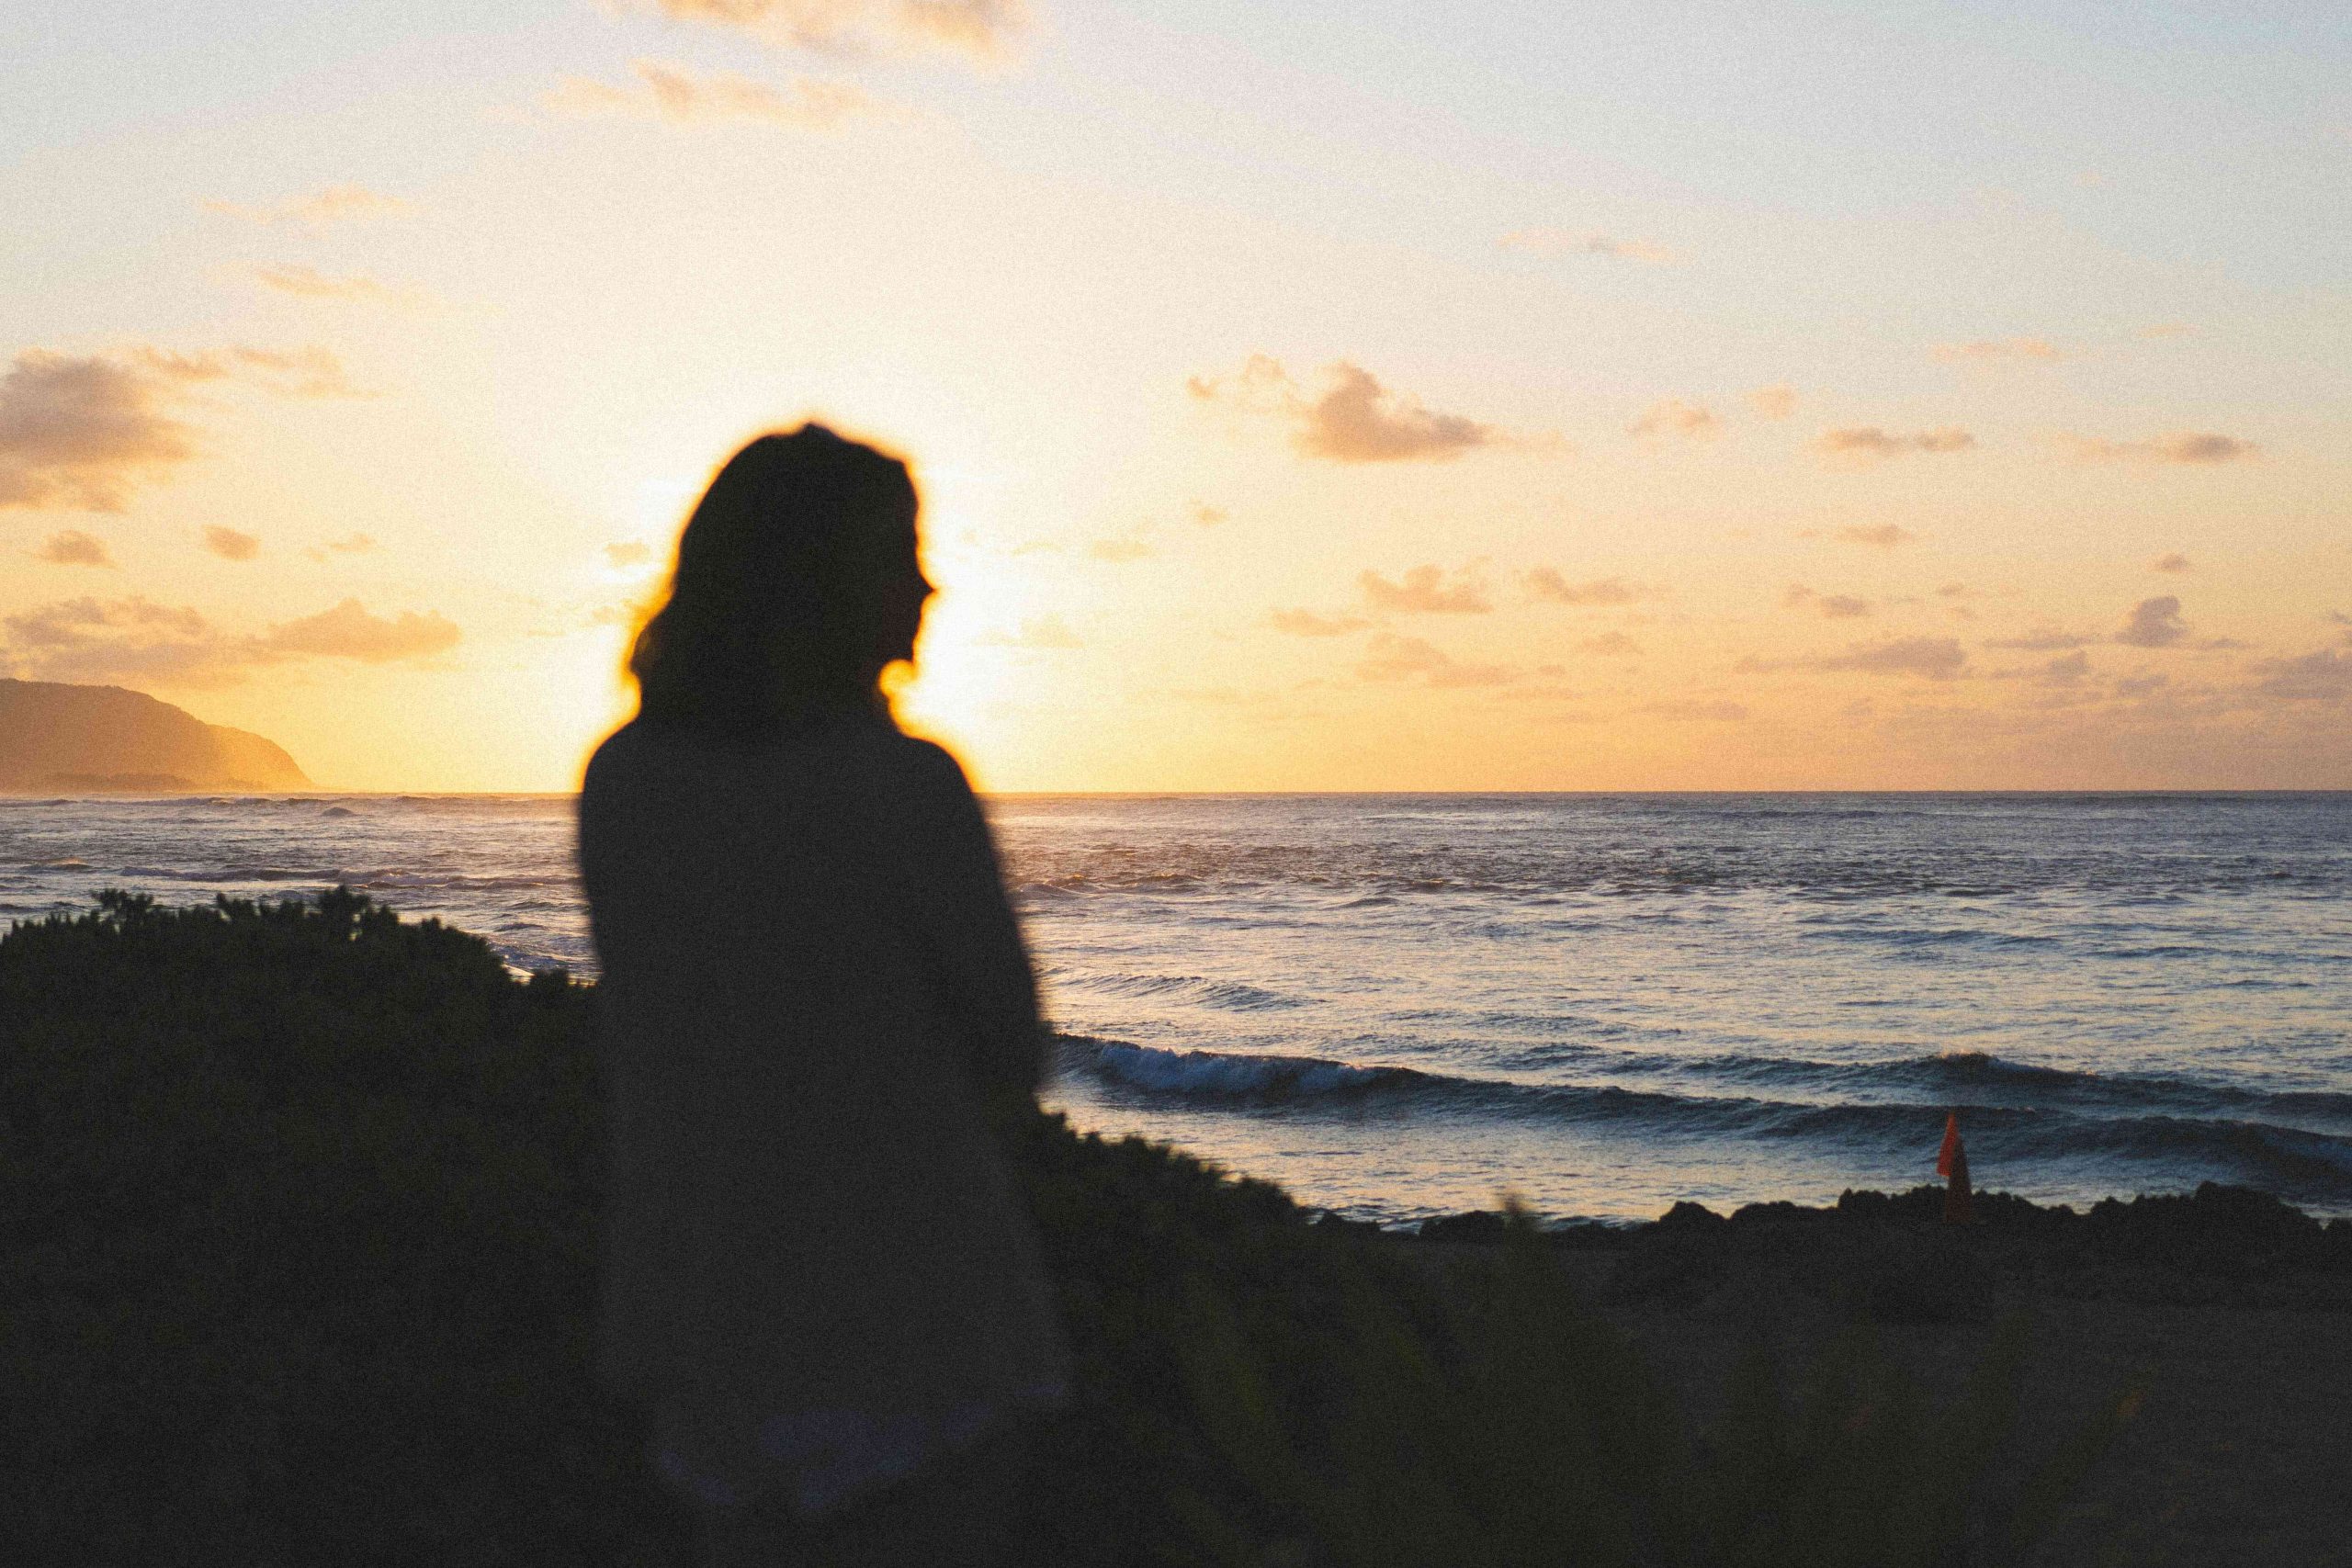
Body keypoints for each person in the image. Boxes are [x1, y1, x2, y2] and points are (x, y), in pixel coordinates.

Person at [576, 424, 1069, 1566]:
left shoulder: (624, 780)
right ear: (826, 582)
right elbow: (1012, 1050)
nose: (930, 584)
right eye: (901, 553)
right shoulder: (903, 785)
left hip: (704, 1327)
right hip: (916, 1329)